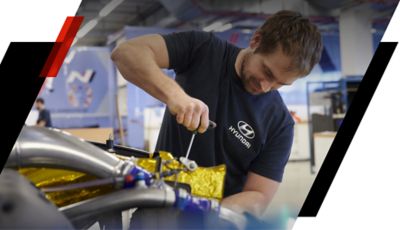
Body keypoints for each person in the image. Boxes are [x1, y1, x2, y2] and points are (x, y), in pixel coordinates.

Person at [112, 10, 322, 218]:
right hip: (157, 212)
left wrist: (210, 215)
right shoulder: (203, 50)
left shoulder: (279, 123)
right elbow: (127, 53)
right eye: (267, 72)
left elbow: (258, 195)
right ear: (256, 40)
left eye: (280, 84)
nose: (266, 87)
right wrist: (176, 96)